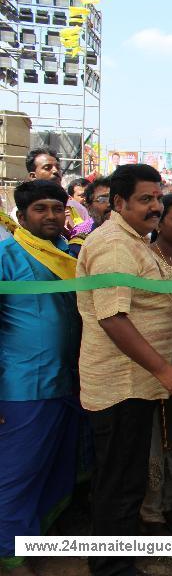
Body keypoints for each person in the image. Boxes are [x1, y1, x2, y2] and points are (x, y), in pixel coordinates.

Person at [76, 164, 172, 576]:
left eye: (157, 198)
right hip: (120, 384)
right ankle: (112, 567)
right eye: (145, 199)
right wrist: (164, 369)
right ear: (119, 203)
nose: (155, 207)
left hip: (136, 383)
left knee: (125, 478)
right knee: (120, 481)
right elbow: (113, 318)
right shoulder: (114, 244)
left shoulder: (135, 241)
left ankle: (116, 560)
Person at [0, 181, 80, 576]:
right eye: (40, 209)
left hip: (67, 383)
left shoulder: (68, 254)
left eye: (57, 208)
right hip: (21, 387)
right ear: (21, 216)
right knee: (16, 473)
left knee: (57, 469)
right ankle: (9, 557)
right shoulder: (6, 254)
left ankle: (31, 541)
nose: (50, 216)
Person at [139, 194, 172, 535]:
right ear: (159, 223)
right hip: (154, 364)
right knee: (155, 442)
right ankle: (150, 512)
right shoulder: (148, 259)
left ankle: (171, 504)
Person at [26, 148, 89, 230]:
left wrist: (72, 235)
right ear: (33, 176)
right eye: (47, 167)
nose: (55, 171)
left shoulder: (77, 208)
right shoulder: (25, 209)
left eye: (58, 167)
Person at [67, 177, 111, 258]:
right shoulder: (80, 242)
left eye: (115, 198)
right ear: (89, 206)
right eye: (102, 199)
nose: (110, 204)